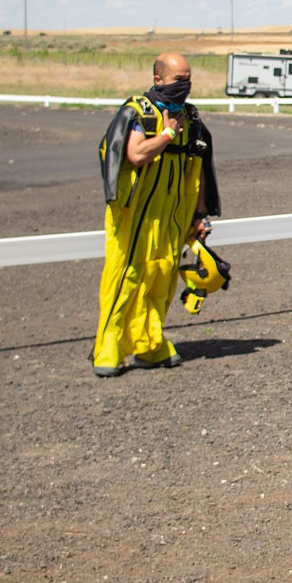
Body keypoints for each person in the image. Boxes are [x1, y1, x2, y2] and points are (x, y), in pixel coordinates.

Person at [94, 52, 219, 377]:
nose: (185, 86)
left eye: (189, 79)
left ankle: (149, 344)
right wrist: (167, 134)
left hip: (172, 216)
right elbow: (135, 154)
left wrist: (200, 215)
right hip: (136, 216)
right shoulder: (140, 114)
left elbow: (200, 166)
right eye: (179, 80)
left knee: (161, 278)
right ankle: (108, 347)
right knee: (126, 278)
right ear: (158, 79)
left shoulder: (190, 119)